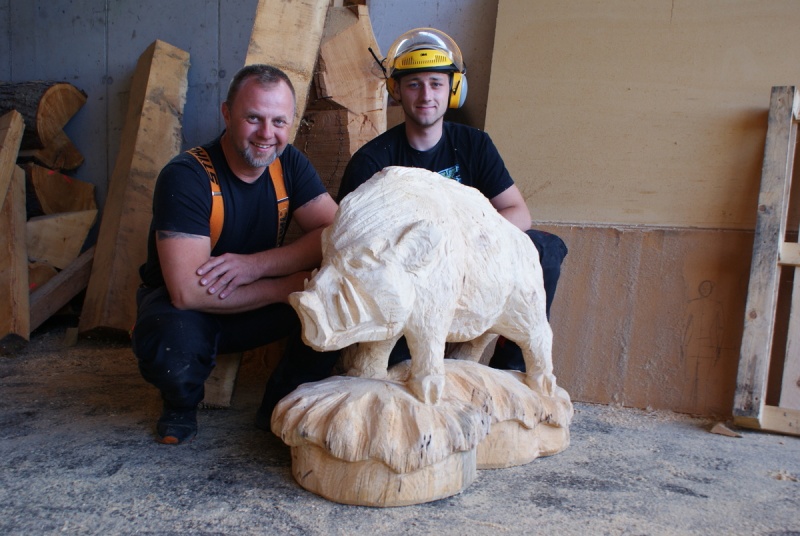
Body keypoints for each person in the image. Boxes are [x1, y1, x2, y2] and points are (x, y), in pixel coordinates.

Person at [337, 28, 568, 371]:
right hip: (406, 285)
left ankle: (511, 369)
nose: (426, 95)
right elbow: (351, 247)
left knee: (543, 249)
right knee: (401, 373)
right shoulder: (372, 161)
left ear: (453, 89)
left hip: (468, 266)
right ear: (395, 90)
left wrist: (462, 243)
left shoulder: (475, 145)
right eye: (414, 84)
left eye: (436, 83)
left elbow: (519, 213)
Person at [132, 64, 340, 445]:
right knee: (172, 342)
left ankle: (280, 402)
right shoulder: (187, 175)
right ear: (227, 114)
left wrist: (255, 266)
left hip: (255, 300)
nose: (266, 133)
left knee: (336, 298)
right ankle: (179, 403)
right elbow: (186, 292)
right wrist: (283, 288)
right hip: (190, 310)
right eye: (253, 118)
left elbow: (338, 234)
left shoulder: (289, 164)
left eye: (279, 121)